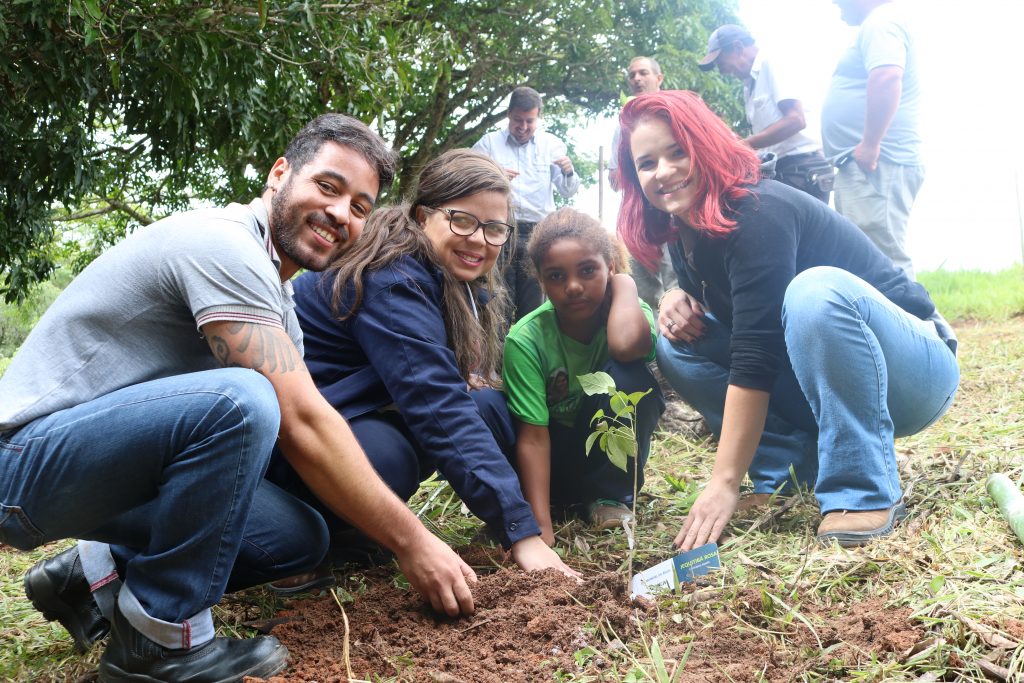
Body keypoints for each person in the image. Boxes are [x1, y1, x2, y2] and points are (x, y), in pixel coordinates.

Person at [0, 115, 481, 682]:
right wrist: (413, 540)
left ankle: (88, 579)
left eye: (359, 206)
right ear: (280, 174)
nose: (339, 214)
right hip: (22, 461)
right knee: (241, 400)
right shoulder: (221, 244)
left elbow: (301, 421)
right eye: (327, 187)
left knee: (295, 538)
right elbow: (300, 421)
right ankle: (158, 645)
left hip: (101, 468)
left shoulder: (279, 298)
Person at [616, 90, 959, 549]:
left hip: (916, 369)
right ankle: (784, 474)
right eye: (647, 162)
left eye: (678, 151)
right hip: (819, 375)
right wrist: (676, 295)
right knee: (676, 342)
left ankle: (862, 488)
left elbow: (755, 354)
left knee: (813, 292)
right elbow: (744, 324)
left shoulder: (758, 210)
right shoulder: (687, 229)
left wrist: (723, 481)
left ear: (706, 144)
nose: (665, 171)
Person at [277, 149, 577, 579]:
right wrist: (520, 533)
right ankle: (331, 534)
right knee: (390, 455)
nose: (479, 240)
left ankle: (354, 523)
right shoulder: (394, 278)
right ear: (423, 216)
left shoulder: (456, 282)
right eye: (462, 221)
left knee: (491, 406)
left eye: (495, 229)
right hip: (296, 446)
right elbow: (436, 404)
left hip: (354, 410)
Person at [502, 208, 665, 542]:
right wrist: (541, 527)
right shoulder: (526, 338)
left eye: (588, 270)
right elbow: (533, 437)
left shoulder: (630, 313)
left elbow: (624, 348)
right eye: (556, 276)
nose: (573, 286)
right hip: (550, 463)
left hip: (603, 460)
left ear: (611, 267)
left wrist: (626, 284)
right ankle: (538, 505)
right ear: (541, 281)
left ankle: (610, 497)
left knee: (631, 379)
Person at [822, 0, 924, 279]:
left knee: (883, 265)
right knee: (867, 262)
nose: (836, 6)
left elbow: (888, 77)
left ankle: (928, 325)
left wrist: (870, 144)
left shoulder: (882, 21)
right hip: (866, 163)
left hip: (877, 162)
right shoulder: (880, 23)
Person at [473, 86, 580, 323]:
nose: (523, 127)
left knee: (533, 304)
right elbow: (469, 184)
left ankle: (529, 355)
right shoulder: (488, 144)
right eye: (518, 120)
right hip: (499, 229)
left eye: (529, 121)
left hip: (538, 232)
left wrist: (569, 171)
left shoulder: (552, 145)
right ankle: (496, 358)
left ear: (538, 117)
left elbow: (568, 190)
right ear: (508, 115)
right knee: (497, 298)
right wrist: (493, 176)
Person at [698, 24, 834, 203]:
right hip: (783, 169)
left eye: (721, 63)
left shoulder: (772, 62)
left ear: (738, 47)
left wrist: (744, 144)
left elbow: (796, 120)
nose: (722, 71)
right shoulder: (749, 84)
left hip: (802, 167)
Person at [608, 56, 677, 310]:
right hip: (637, 214)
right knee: (641, 288)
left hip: (674, 210)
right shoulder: (623, 125)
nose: (636, 79)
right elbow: (614, 180)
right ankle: (652, 342)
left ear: (659, 78)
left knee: (677, 282)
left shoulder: (674, 114)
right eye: (632, 74)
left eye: (643, 73)